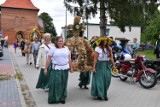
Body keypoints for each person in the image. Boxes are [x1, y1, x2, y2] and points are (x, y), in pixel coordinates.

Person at [44, 36, 73, 104]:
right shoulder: (53, 49)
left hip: (65, 68)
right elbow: (48, 59)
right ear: (56, 42)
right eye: (59, 41)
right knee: (56, 83)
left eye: (62, 41)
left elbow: (69, 59)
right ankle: (54, 98)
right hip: (56, 69)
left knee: (63, 83)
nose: (61, 42)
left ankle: (62, 97)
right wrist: (45, 68)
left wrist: (71, 67)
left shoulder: (66, 48)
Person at [91, 37, 115, 101]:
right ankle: (102, 95)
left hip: (107, 65)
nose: (105, 42)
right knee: (100, 81)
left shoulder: (109, 49)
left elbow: (111, 58)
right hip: (99, 65)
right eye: (104, 41)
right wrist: (93, 68)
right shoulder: (98, 48)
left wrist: (114, 66)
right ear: (101, 42)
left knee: (107, 79)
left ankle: (104, 93)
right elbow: (95, 59)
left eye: (106, 41)